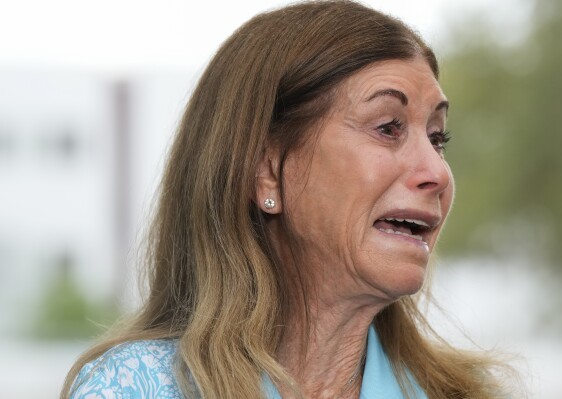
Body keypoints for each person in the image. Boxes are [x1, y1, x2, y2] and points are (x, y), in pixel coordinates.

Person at [62, 1, 512, 398]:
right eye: (388, 127)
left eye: (438, 138)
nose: (437, 172)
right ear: (266, 172)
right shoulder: (131, 389)